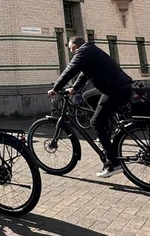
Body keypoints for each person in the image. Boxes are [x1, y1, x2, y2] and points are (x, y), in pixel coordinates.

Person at [48, 36, 133, 178]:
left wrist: (56, 88)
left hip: (115, 90)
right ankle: (106, 126)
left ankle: (113, 164)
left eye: (71, 50)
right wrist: (74, 89)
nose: (72, 53)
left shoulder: (83, 52)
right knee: (88, 96)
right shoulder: (90, 51)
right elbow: (83, 73)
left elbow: (71, 69)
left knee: (95, 122)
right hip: (118, 87)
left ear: (75, 47)